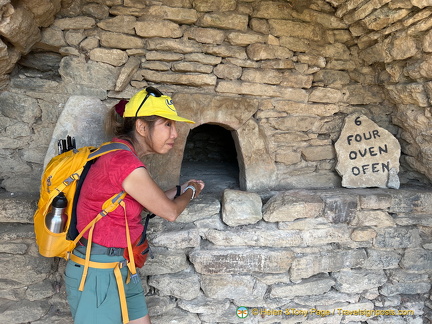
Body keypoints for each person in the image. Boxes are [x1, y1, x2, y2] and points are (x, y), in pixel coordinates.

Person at [63, 86, 205, 324]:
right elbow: (169, 212)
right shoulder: (123, 161)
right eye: (167, 124)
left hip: (120, 266)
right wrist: (191, 191)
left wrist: (180, 188)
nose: (175, 134)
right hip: (97, 273)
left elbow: (149, 202)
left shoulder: (118, 153)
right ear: (141, 127)